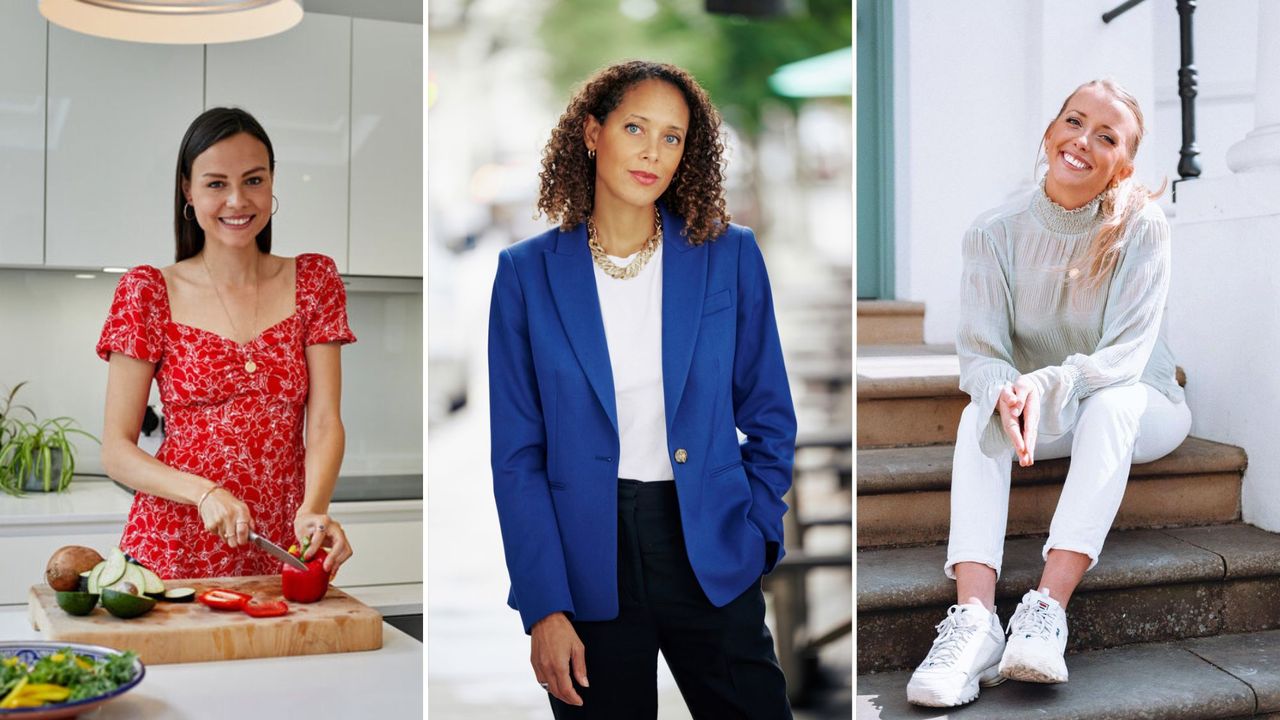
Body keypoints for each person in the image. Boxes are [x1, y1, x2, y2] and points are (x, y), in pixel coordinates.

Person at [488, 60, 797, 719]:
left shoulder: (730, 256)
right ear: (592, 133)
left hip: (711, 547)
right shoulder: (524, 275)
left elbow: (770, 413)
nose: (653, 152)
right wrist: (543, 604)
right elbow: (517, 455)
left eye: (673, 137)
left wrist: (758, 530)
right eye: (635, 128)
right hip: (586, 563)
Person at [906, 79, 1192, 707]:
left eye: (1107, 137)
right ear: (1049, 132)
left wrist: (1037, 385)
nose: (1082, 141)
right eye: (1073, 121)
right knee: (974, 416)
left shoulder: (1141, 226)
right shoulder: (993, 232)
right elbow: (981, 351)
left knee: (1110, 404)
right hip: (1041, 415)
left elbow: (1126, 355)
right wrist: (1003, 391)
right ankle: (975, 622)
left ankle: (1045, 610)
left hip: (1139, 404)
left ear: (1123, 164)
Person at [98, 107, 356, 581]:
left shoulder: (314, 281)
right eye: (216, 184)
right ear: (187, 191)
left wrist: (315, 508)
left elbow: (323, 422)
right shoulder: (147, 291)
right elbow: (116, 450)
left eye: (253, 180)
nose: (237, 200)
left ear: (272, 182)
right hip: (172, 545)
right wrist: (204, 493)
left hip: (280, 544)